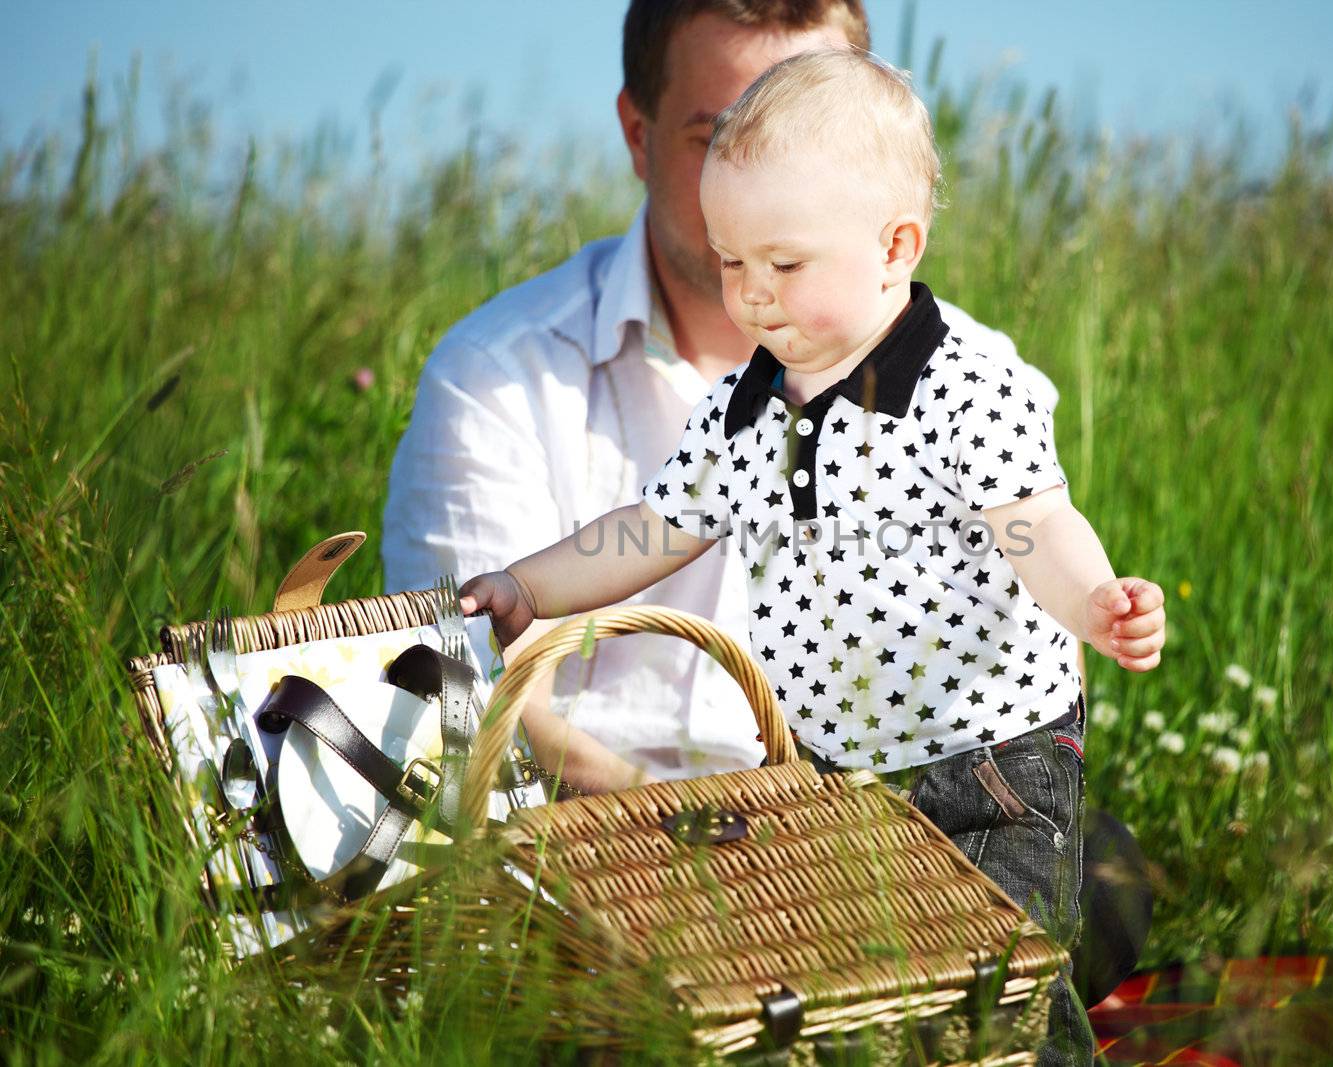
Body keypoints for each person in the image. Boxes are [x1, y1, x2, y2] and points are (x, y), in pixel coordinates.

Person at [460, 48, 1165, 1067]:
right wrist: (530, 585)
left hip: (989, 757)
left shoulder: (963, 382)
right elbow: (649, 530)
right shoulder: (744, 408)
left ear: (895, 246)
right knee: (869, 984)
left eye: (783, 264)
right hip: (835, 769)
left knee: (996, 972)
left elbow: (1034, 523)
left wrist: (1095, 596)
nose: (750, 293)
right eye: (730, 260)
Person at [380, 0, 1062, 792]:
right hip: (589, 841)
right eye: (719, 141)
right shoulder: (496, 374)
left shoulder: (974, 375)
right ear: (639, 135)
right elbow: (475, 691)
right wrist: (718, 846)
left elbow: (1027, 668)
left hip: (889, 830)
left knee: (1091, 886)